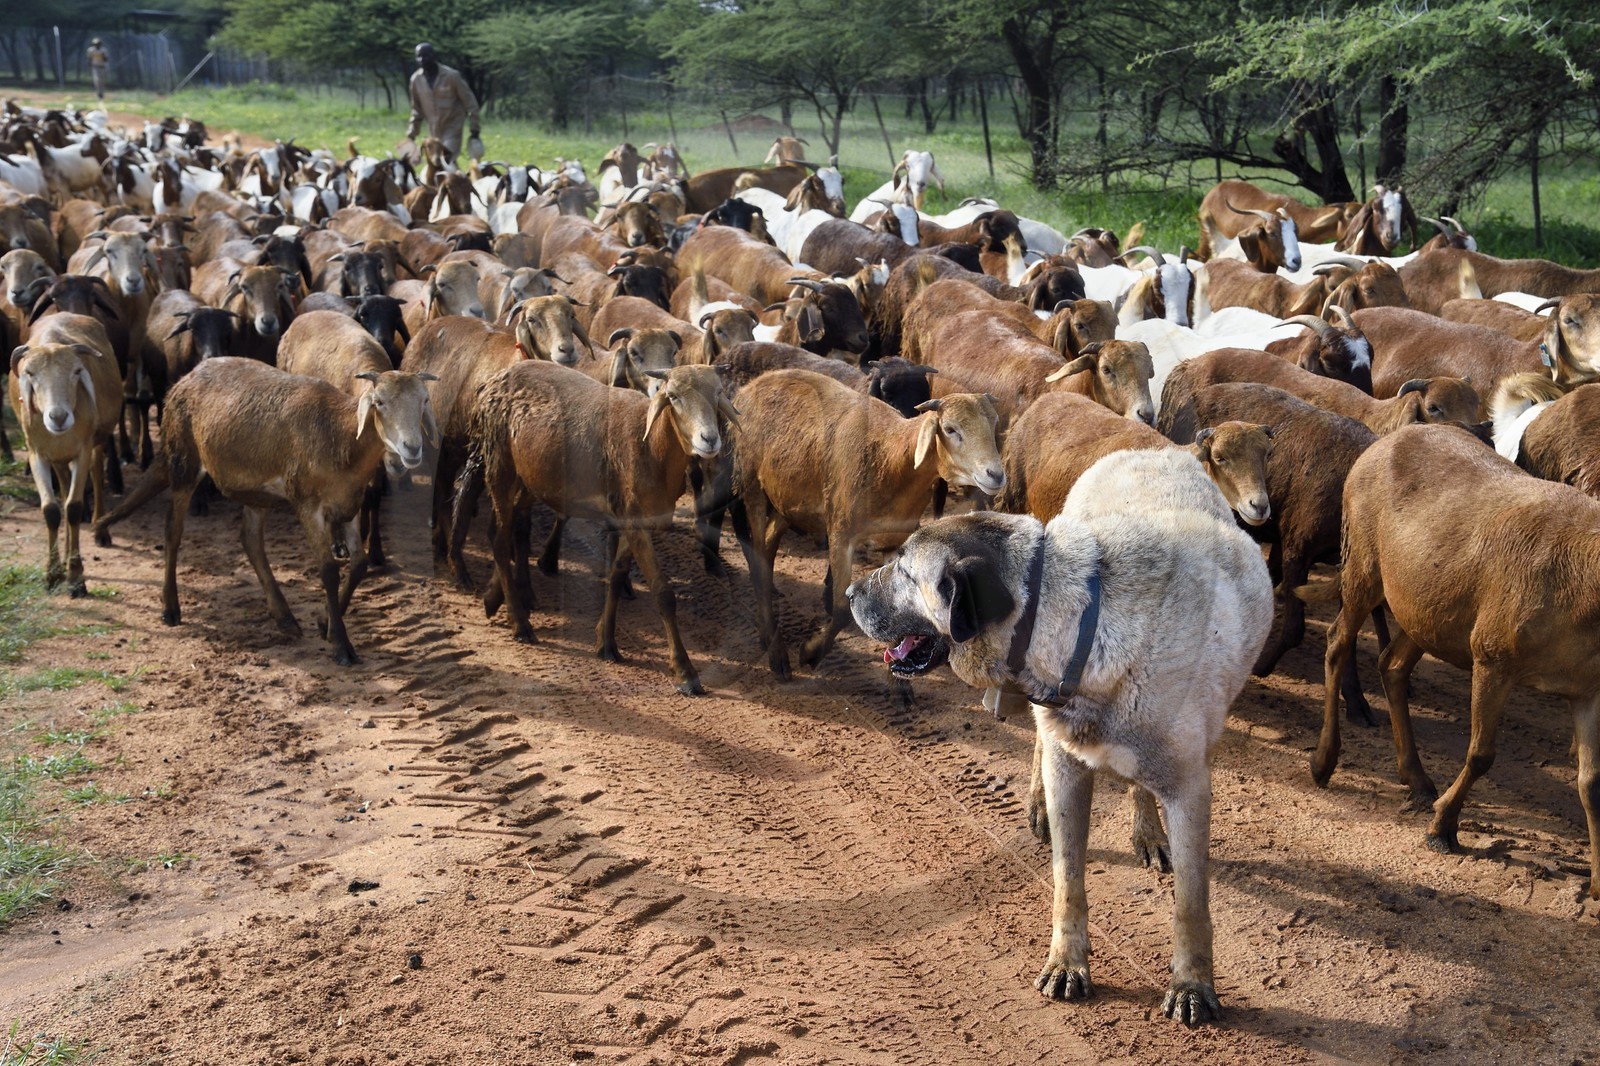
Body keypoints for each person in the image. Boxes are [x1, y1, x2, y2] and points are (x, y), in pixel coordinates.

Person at [403, 43, 480, 165]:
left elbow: (470, 103)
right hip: (434, 131)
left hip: (452, 128)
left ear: (434, 56)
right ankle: (460, 181)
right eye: (419, 57)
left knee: (445, 159)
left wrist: (474, 128)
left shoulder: (452, 76)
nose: (422, 60)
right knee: (439, 164)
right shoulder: (416, 80)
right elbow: (416, 110)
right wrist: (411, 134)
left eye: (426, 56)